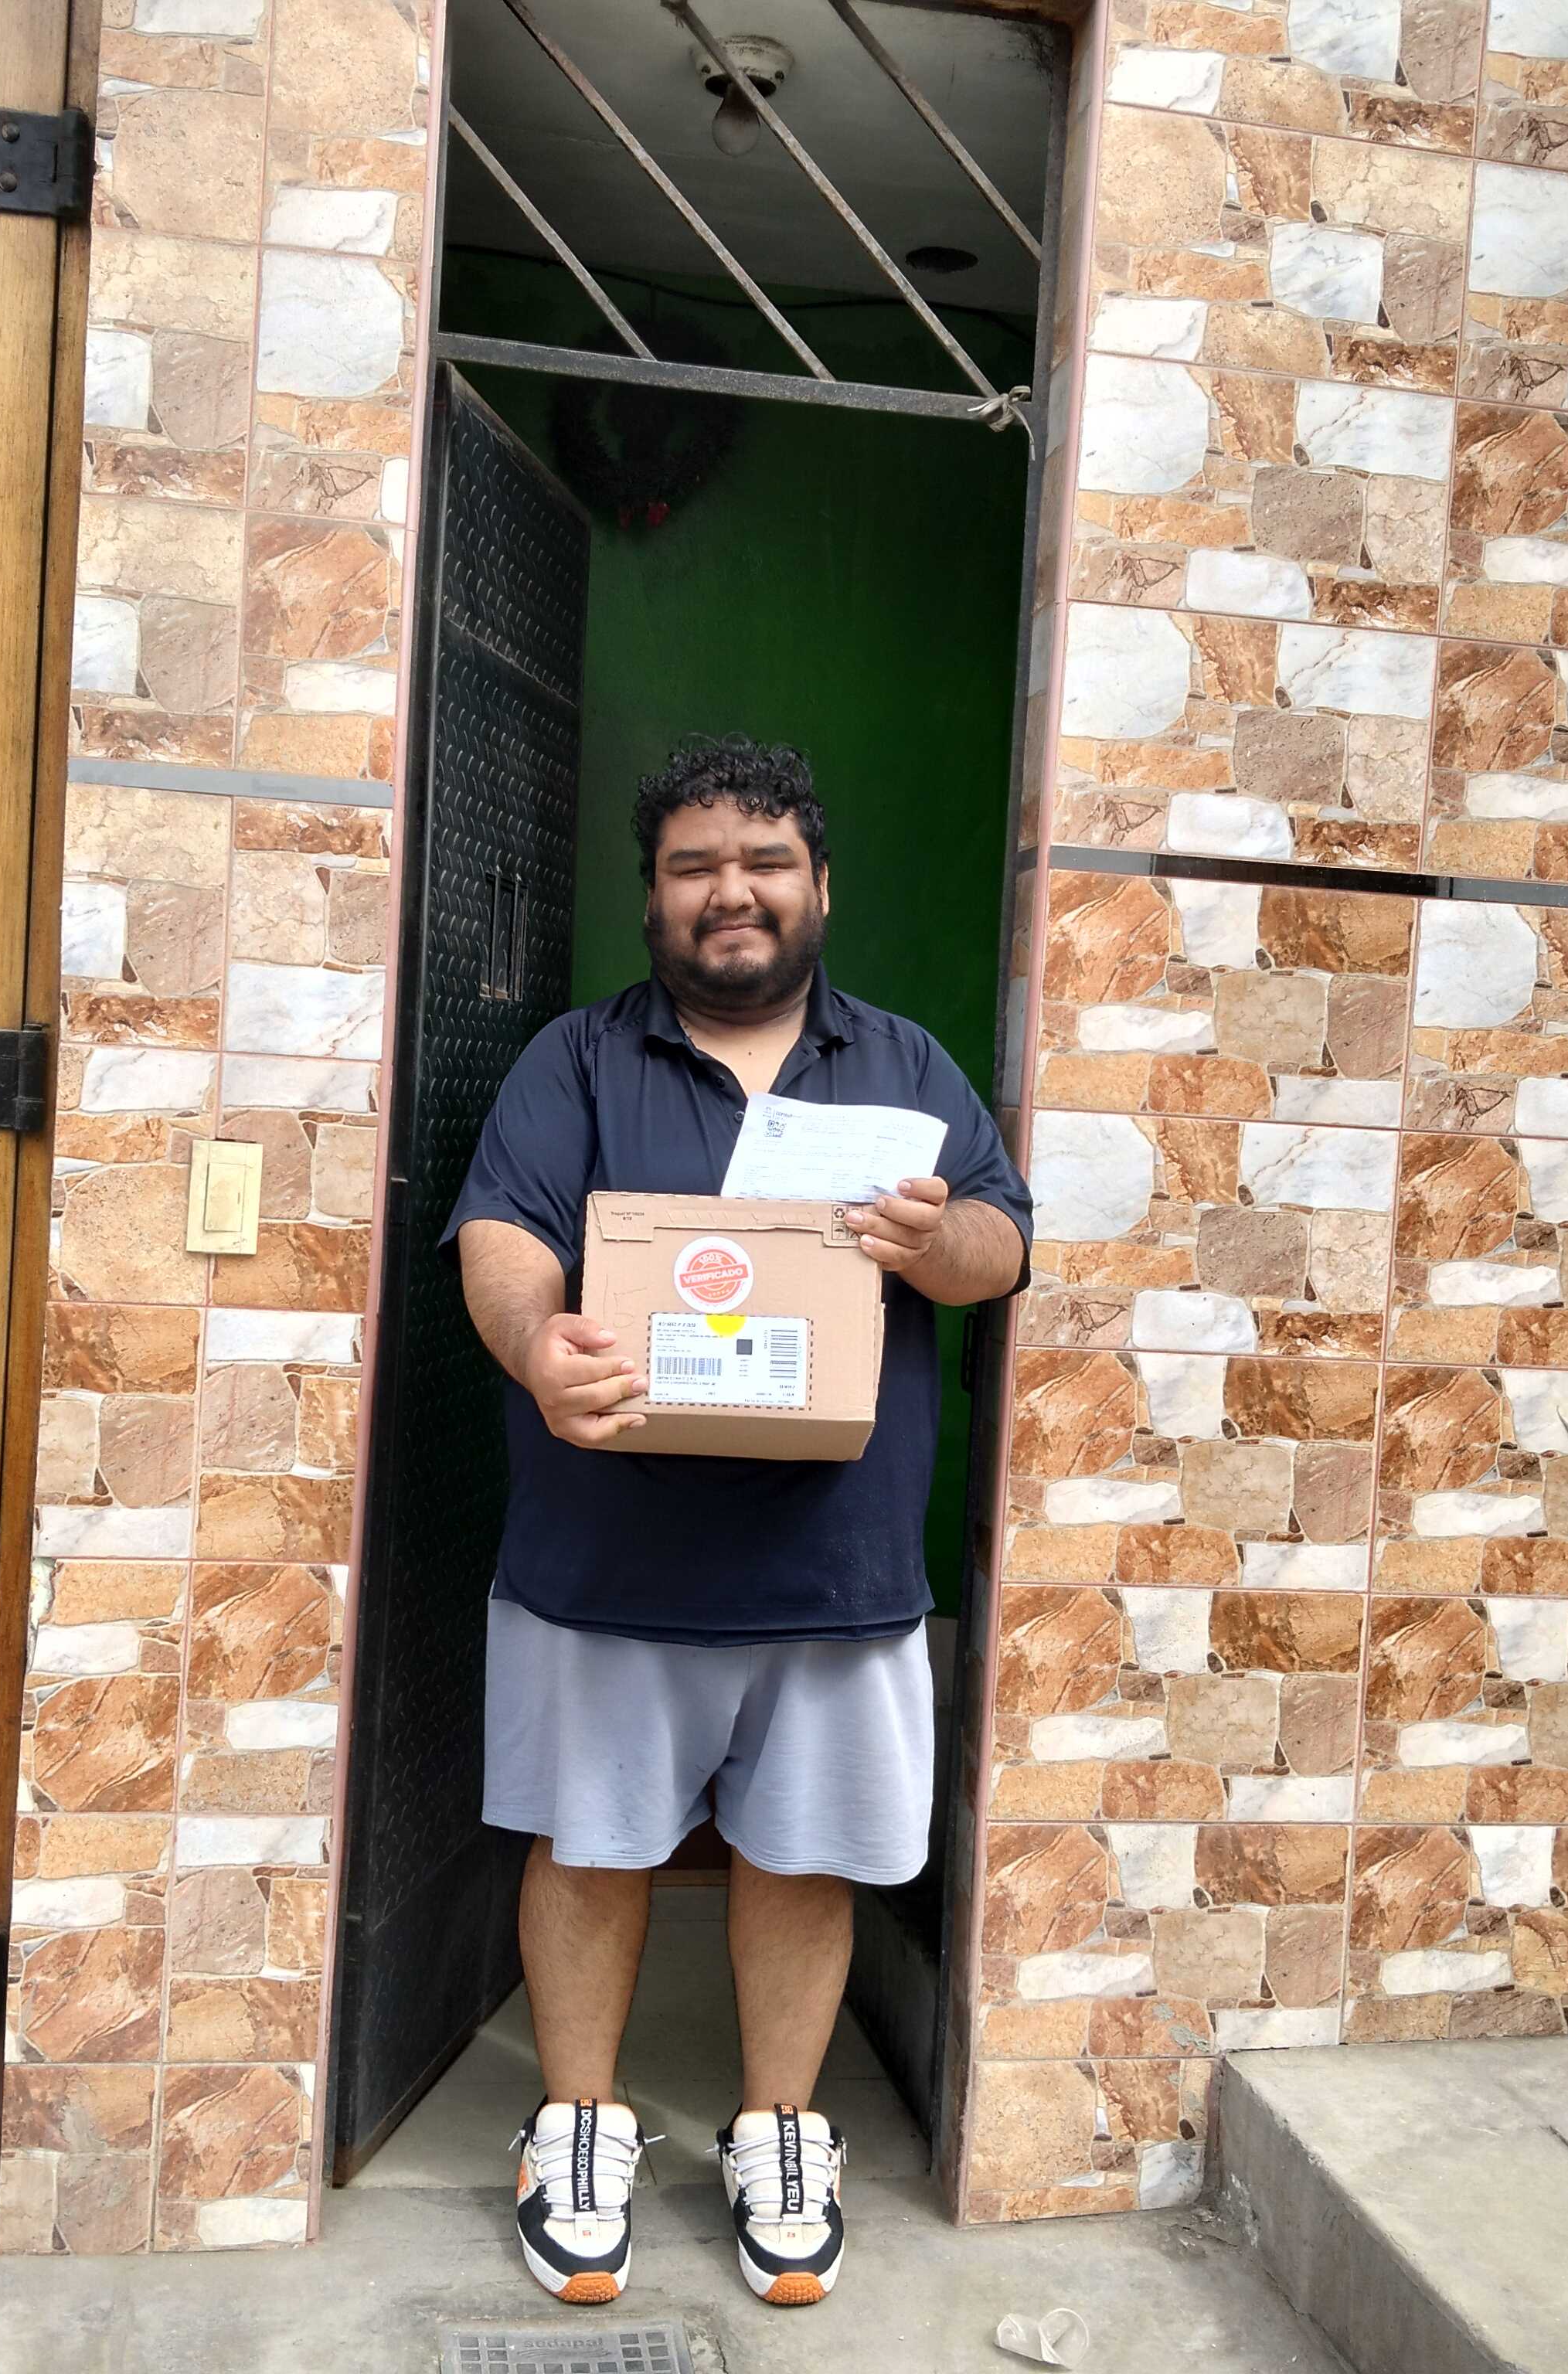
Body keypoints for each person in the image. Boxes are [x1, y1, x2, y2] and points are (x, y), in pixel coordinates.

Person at [444, 735, 1032, 2309]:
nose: (732, 892)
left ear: (818, 886)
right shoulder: (576, 1061)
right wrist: (537, 1344)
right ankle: (576, 2127)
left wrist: (935, 1244)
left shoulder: (905, 1066)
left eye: (765, 863)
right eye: (695, 865)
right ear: (653, 896)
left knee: (806, 1853)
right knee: (592, 1843)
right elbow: (502, 1231)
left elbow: (1001, 1243)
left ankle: (780, 2130)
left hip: (836, 1563)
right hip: (608, 1556)